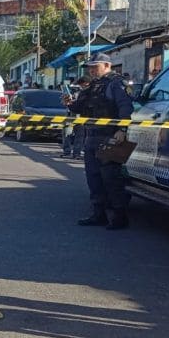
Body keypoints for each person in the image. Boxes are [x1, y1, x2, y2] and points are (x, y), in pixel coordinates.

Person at [63, 53, 134, 230]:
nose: (92, 70)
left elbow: (126, 108)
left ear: (107, 65)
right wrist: (70, 103)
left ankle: (119, 217)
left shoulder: (117, 84)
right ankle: (98, 214)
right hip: (92, 136)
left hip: (111, 136)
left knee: (111, 178)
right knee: (93, 177)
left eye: (96, 67)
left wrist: (122, 130)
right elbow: (81, 107)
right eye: (90, 67)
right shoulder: (94, 86)